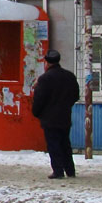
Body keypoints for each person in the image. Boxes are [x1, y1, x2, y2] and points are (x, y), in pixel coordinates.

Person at [31, 49, 80, 179]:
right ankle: (70, 170)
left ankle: (58, 171)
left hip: (49, 118)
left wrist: (37, 112)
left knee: (53, 144)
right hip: (65, 116)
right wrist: (66, 106)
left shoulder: (44, 79)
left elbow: (39, 99)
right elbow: (76, 95)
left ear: (46, 63)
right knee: (65, 144)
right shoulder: (69, 76)